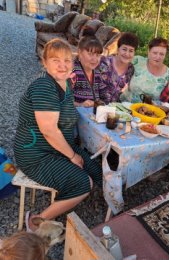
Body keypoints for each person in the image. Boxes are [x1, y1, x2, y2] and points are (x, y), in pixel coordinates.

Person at [14, 39, 102, 231]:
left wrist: (79, 104)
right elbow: (49, 130)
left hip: (57, 148)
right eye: (55, 60)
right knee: (84, 183)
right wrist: (72, 156)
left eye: (67, 60)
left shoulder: (64, 83)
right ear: (44, 62)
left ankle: (66, 194)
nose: (63, 65)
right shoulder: (44, 86)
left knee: (96, 171)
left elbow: (60, 108)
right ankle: (36, 221)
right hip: (37, 154)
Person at [120, 37, 169, 103]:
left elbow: (167, 100)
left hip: (150, 111)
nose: (158, 57)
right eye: (155, 53)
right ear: (148, 51)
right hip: (125, 105)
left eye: (161, 54)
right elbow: (119, 66)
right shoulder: (137, 61)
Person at [98, 32, 139, 104]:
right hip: (95, 106)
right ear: (118, 49)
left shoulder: (131, 69)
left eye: (131, 51)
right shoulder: (105, 62)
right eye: (124, 49)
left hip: (116, 110)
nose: (127, 54)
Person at [71, 28, 103, 107]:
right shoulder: (73, 72)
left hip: (92, 116)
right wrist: (80, 104)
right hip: (74, 116)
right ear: (80, 52)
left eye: (98, 55)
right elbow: (63, 100)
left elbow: (101, 96)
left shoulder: (97, 73)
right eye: (90, 54)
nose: (94, 59)